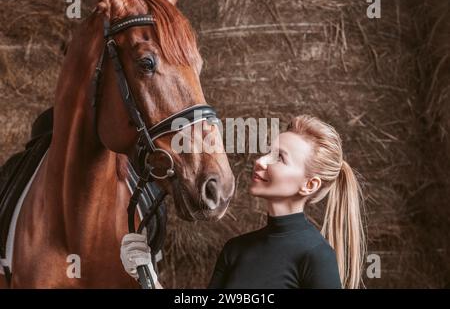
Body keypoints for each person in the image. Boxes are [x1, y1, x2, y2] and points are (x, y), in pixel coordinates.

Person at [120, 115, 366, 289]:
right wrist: (148, 278)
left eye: (279, 158)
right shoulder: (236, 249)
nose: (261, 161)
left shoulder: (316, 256)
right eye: (268, 151)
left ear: (309, 185)